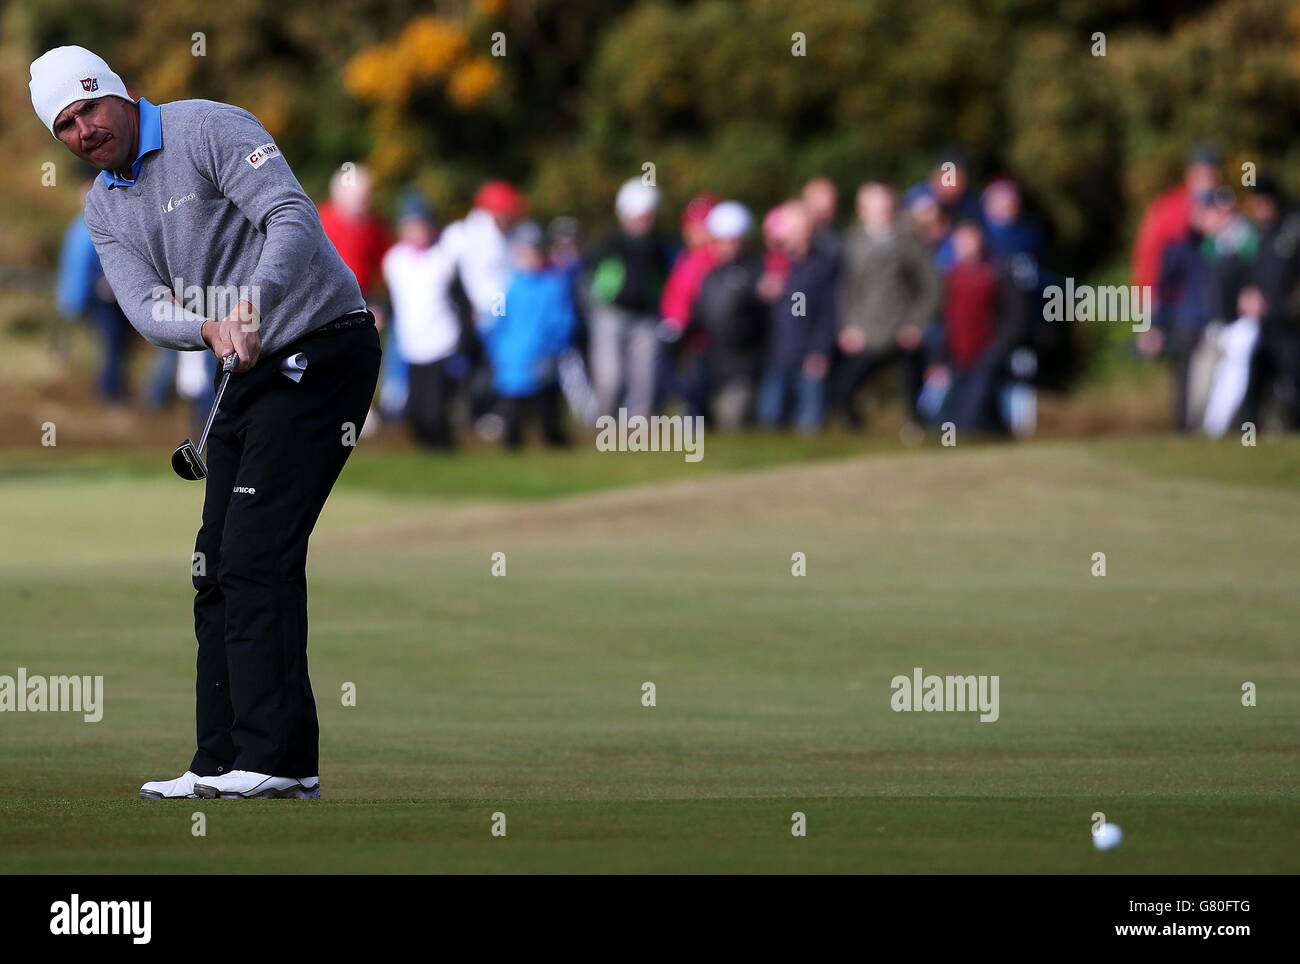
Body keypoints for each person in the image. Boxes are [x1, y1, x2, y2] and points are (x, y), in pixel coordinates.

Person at [31, 45, 381, 800]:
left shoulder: (207, 128)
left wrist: (250, 300)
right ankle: (220, 761)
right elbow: (144, 305)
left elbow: (290, 215)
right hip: (243, 368)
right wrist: (207, 326)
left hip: (323, 345)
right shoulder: (103, 205)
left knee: (258, 549)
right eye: (65, 125)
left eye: (88, 107)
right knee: (213, 562)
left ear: (116, 94)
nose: (83, 129)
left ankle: (282, 761)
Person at [830, 182, 941, 429]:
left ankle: (916, 428)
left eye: (886, 206)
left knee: (913, 386)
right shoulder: (851, 244)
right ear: (862, 210)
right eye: (875, 207)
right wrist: (850, 326)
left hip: (902, 331)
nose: (883, 212)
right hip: (866, 332)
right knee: (844, 388)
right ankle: (855, 431)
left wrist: (916, 324)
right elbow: (844, 289)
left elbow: (931, 286)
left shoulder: (910, 242)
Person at [483, 221, 576, 449]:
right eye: (524, 251)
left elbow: (563, 321)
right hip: (512, 361)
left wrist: (553, 350)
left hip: (542, 361)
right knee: (512, 418)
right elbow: (496, 323)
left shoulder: (554, 285)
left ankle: (555, 445)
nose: (529, 257)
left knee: (548, 415)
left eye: (534, 252)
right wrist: (496, 350)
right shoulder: (507, 286)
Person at [587, 178, 673, 419]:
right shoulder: (608, 243)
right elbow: (589, 278)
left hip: (645, 317)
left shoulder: (658, 245)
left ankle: (639, 424)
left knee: (644, 375)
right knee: (610, 374)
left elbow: (666, 279)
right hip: (611, 314)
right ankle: (605, 421)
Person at [382, 191, 461, 449]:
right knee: (415, 412)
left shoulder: (443, 259)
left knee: (435, 409)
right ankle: (431, 453)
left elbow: (460, 302)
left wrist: (465, 343)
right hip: (411, 345)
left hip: (441, 342)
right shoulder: (395, 260)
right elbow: (396, 300)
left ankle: (445, 451)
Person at [756, 201, 837, 432]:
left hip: (809, 354)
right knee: (770, 417)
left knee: (809, 422)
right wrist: (761, 291)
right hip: (777, 353)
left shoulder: (823, 266)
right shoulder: (772, 264)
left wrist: (821, 351)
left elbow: (829, 312)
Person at [57, 177, 134, 402]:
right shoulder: (90, 228)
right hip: (96, 296)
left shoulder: (76, 227)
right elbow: (85, 269)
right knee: (113, 339)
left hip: (83, 295)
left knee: (111, 341)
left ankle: (109, 385)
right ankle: (110, 390)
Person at [692, 201, 767, 428]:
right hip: (713, 365)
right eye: (722, 240)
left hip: (745, 366)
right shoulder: (710, 276)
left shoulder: (757, 272)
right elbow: (701, 316)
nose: (727, 246)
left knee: (733, 419)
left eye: (733, 240)